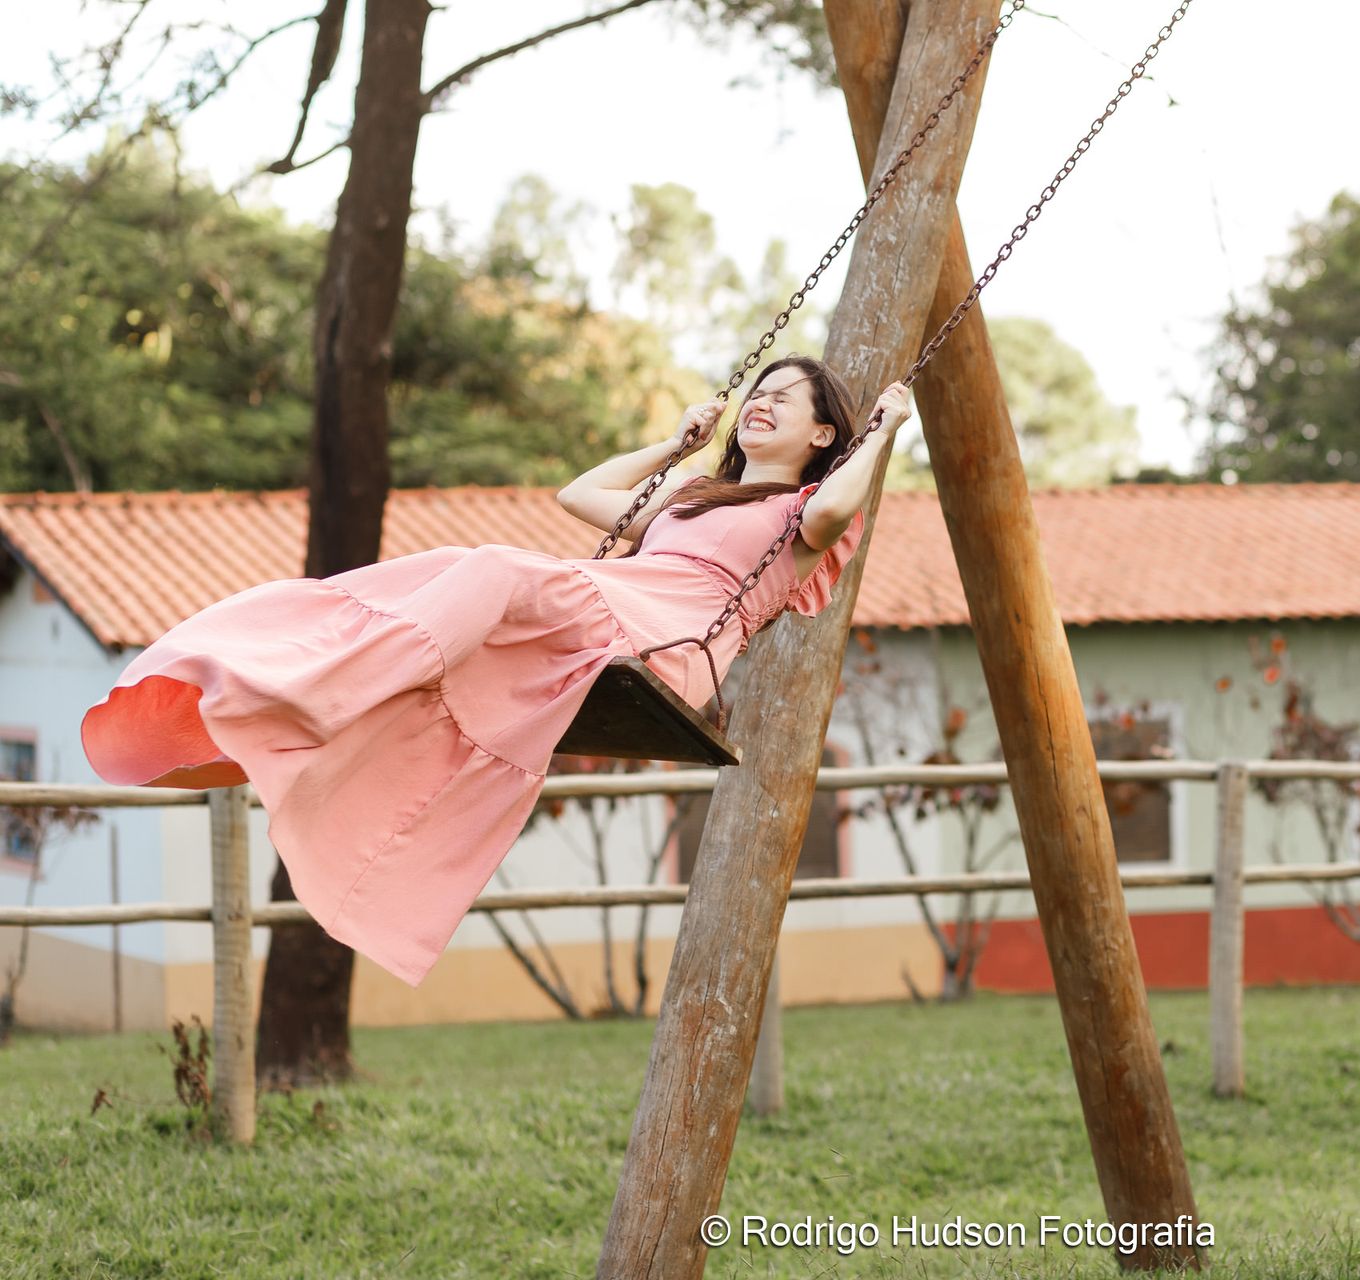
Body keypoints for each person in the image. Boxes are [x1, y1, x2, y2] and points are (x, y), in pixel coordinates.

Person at [82, 356, 911, 986]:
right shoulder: (698, 497)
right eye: (755, 392)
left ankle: (322, 693)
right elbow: (581, 495)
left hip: (669, 644)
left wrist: (886, 429)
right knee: (447, 570)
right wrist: (678, 444)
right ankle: (278, 690)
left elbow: (840, 507)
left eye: (782, 398)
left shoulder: (804, 517)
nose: (758, 403)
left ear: (824, 435)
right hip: (615, 608)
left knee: (493, 569)